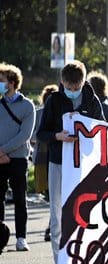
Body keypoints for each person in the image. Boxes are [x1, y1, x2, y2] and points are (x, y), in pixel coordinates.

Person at [37, 60, 105, 264]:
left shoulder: (92, 101)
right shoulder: (54, 101)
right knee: (57, 213)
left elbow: (102, 129)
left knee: (84, 212)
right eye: (68, 88)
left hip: (83, 164)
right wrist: (58, 136)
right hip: (58, 162)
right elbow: (41, 133)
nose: (72, 92)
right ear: (61, 82)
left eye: (76, 88)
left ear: (84, 82)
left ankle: (83, 259)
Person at [0, 63, 36, 251]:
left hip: (18, 158)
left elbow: (25, 135)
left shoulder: (27, 105)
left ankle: (21, 237)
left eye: (2, 80)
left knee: (20, 199)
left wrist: (4, 151)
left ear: (12, 82)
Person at [34, 84, 58, 242]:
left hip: (41, 160)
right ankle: (52, 226)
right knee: (56, 197)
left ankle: (52, 225)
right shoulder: (57, 113)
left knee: (51, 196)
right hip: (53, 157)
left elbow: (35, 136)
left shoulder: (39, 113)